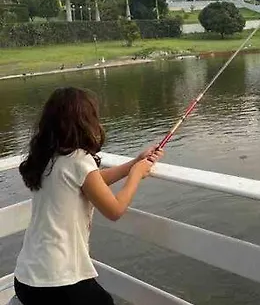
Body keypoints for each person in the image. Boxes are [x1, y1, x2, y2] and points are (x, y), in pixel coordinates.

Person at [13, 87, 163, 305]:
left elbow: (92, 181)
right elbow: (114, 210)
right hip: (59, 281)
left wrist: (134, 163)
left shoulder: (47, 157)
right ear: (84, 122)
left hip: (27, 278)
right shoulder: (78, 159)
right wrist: (136, 175)